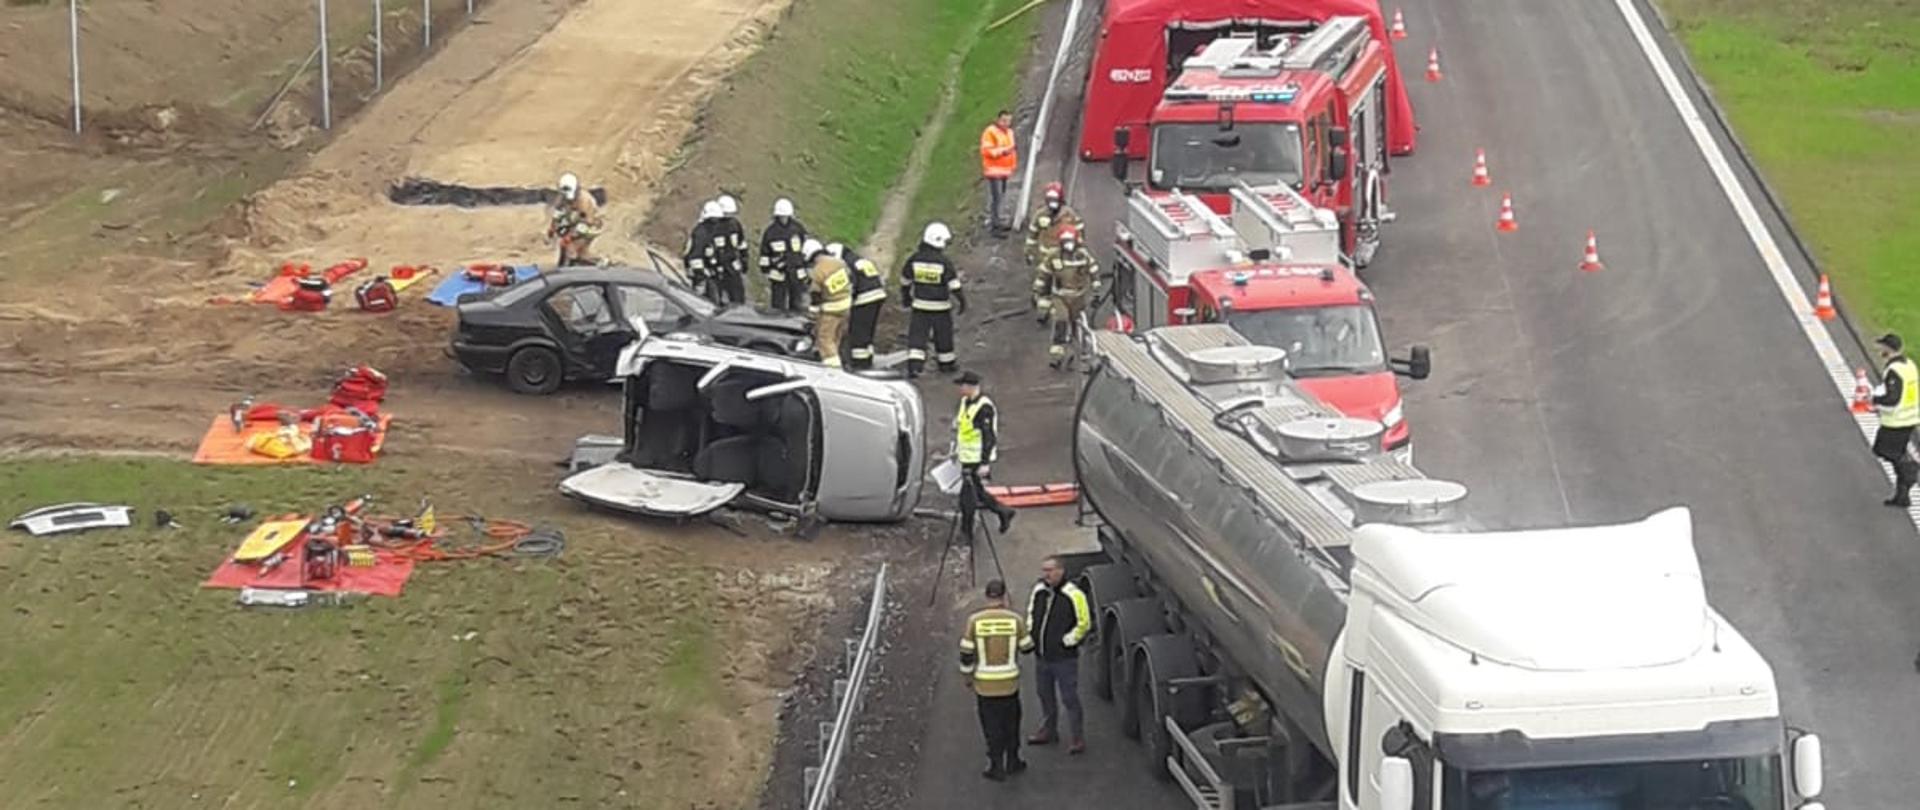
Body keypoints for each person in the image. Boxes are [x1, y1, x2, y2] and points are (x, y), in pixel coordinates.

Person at [959, 578, 1033, 781]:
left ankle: (996, 765)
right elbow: (1027, 647)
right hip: (1010, 685)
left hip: (985, 686)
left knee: (991, 726)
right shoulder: (1015, 619)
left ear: (986, 596)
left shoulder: (974, 621)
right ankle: (1013, 761)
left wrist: (967, 677)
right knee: (1011, 724)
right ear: (1004, 596)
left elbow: (966, 653)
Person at [1026, 555, 1091, 754]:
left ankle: (1077, 738)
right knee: (1045, 695)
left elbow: (1084, 623)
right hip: (1042, 657)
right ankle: (1049, 730)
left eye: (1050, 570)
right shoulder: (1039, 591)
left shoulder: (1074, 594)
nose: (1046, 574)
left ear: (1061, 571)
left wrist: (1067, 641)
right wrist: (1031, 635)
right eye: (1044, 570)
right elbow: (1031, 614)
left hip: (1064, 659)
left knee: (1069, 698)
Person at [955, 371, 1016, 537]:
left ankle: (966, 531)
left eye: (962, 385)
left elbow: (988, 437)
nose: (960, 389)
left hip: (976, 458)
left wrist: (984, 463)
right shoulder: (965, 402)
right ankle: (1003, 511)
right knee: (978, 493)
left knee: (967, 497)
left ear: (971, 387)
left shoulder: (984, 407)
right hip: (967, 456)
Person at [901, 222, 965, 378]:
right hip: (941, 308)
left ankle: (914, 366)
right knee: (943, 336)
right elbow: (954, 285)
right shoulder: (944, 262)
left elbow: (905, 280)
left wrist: (906, 297)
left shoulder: (914, 259)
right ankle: (946, 364)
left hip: (920, 307)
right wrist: (962, 301)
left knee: (917, 337)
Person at [1871, 333, 1918, 507]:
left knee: (1885, 451)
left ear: (1888, 349)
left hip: (1896, 421)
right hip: (1910, 417)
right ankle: (1902, 496)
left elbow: (1893, 399)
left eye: (1882, 347)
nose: (1880, 350)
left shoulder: (1894, 371)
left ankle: (1910, 470)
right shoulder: (1909, 365)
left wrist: (1875, 401)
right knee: (1895, 452)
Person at [828, 243, 889, 370]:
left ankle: (859, 364)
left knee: (858, 334)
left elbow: (851, 286)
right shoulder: (858, 260)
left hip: (864, 298)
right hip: (877, 295)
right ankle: (867, 359)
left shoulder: (846, 264)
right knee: (868, 331)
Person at [1044, 227, 1098, 368]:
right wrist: (1043, 294)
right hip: (1060, 296)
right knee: (1061, 320)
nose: (1069, 244)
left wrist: (1096, 289)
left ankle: (1078, 354)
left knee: (1077, 325)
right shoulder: (1054, 257)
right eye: (1066, 241)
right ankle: (1057, 356)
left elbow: (1093, 270)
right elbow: (1045, 274)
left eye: (1071, 241)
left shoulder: (1083, 256)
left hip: (1078, 297)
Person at [803, 239, 853, 368]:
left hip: (832, 309)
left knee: (824, 339)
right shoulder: (839, 263)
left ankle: (833, 369)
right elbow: (850, 277)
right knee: (836, 338)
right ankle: (839, 360)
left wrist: (812, 314)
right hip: (846, 304)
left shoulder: (818, 271)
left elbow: (816, 295)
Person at [758, 198, 809, 313]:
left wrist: (804, 266)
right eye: (781, 216)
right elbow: (765, 254)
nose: (783, 219)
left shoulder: (798, 229)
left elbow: (805, 249)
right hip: (779, 274)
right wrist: (768, 268)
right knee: (777, 306)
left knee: (797, 305)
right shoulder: (771, 232)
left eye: (785, 216)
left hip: (796, 273)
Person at [548, 172, 604, 267]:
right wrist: (553, 227)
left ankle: (591, 262)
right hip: (576, 222)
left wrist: (570, 237)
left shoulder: (585, 200)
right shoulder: (563, 196)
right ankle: (566, 264)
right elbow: (559, 212)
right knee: (564, 244)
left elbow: (587, 223)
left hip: (590, 226)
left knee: (573, 249)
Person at [1024, 181, 1081, 269]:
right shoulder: (1040, 215)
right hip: (1045, 257)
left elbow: (1079, 235)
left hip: (1064, 256)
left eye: (1054, 199)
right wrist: (1029, 251)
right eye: (1050, 199)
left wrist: (1079, 252)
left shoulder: (1070, 215)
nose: (1052, 203)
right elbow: (1032, 235)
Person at [979, 110, 1018, 237]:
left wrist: (1012, 165)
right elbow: (986, 150)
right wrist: (1003, 152)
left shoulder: (1010, 132)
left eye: (1008, 121)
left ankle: (998, 221)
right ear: (998, 120)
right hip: (994, 171)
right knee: (997, 198)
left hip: (1004, 171)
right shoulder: (990, 132)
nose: (1006, 123)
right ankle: (994, 226)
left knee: (1001, 197)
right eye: (1004, 120)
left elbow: (1012, 149)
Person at [712, 194, 749, 306]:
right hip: (718, 267)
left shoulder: (735, 225)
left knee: (738, 295)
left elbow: (741, 243)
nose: (728, 218)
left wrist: (744, 259)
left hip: (733, 265)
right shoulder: (713, 227)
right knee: (717, 298)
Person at [684, 201, 723, 302]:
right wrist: (701, 272)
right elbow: (695, 255)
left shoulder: (709, 231)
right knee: (699, 300)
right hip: (701, 275)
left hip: (708, 272)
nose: (717, 223)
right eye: (714, 220)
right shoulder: (701, 233)